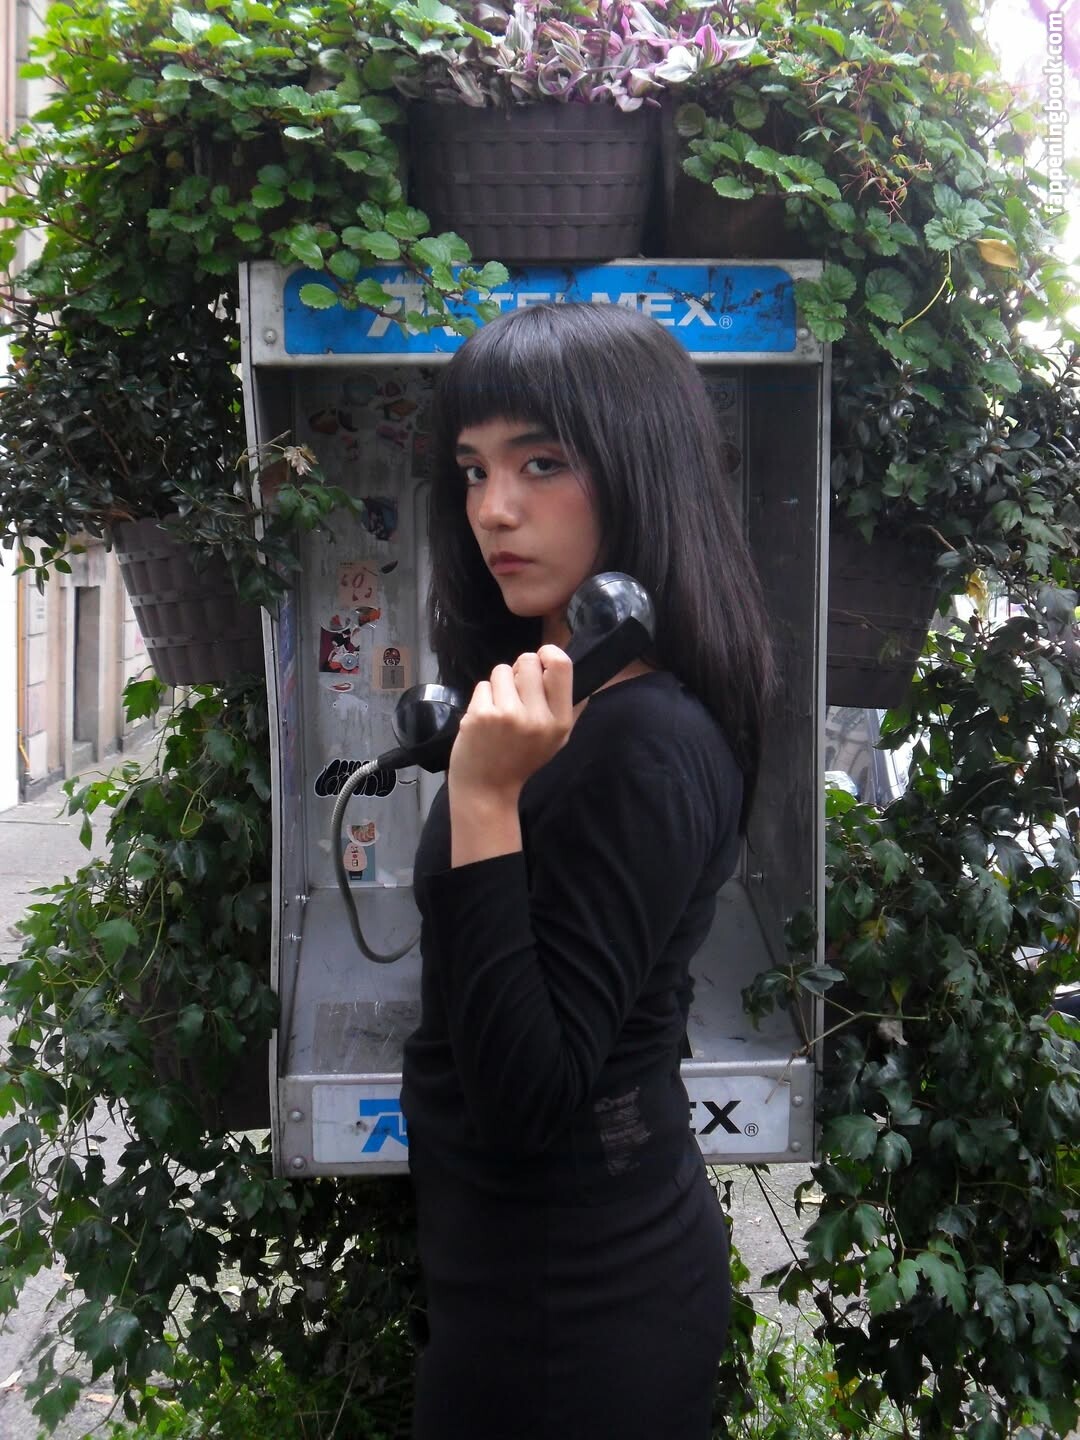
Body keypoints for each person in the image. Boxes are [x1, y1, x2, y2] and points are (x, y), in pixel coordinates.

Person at [400, 302, 775, 1440]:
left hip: (574, 1310)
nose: (493, 509)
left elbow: (528, 1097)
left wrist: (480, 799)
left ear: (642, 472)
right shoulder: (584, 709)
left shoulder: (641, 742)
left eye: (542, 463)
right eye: (473, 470)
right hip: (530, 1273)